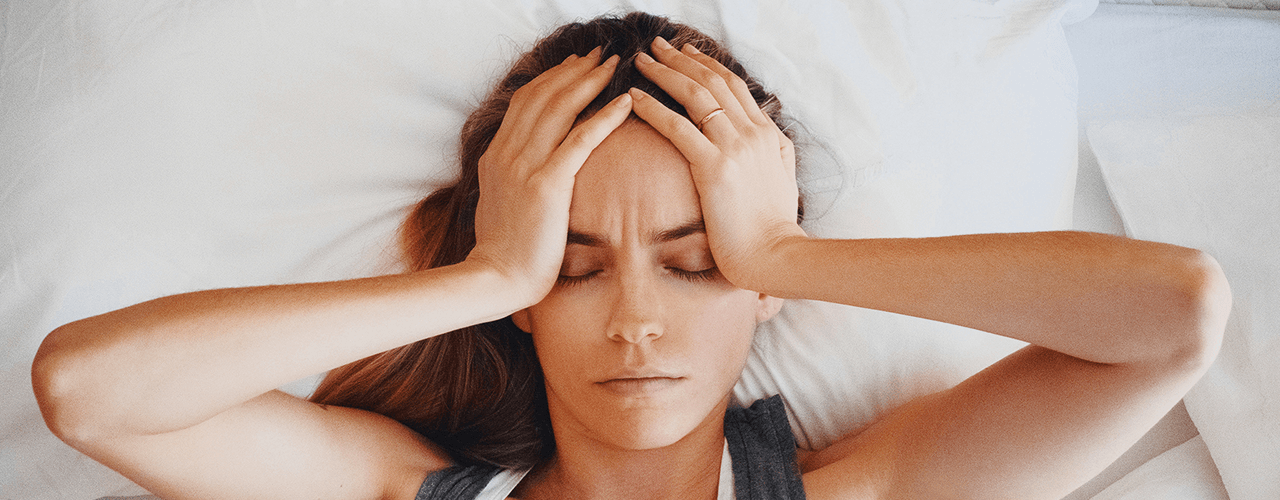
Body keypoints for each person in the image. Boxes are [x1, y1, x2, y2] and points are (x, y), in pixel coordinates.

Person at [32, 11, 1231, 500]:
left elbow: (1174, 316)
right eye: (575, 264)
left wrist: (780, 253)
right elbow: (90, 391)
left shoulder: (850, 491)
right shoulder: (403, 487)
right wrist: (483, 275)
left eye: (693, 261)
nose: (636, 319)